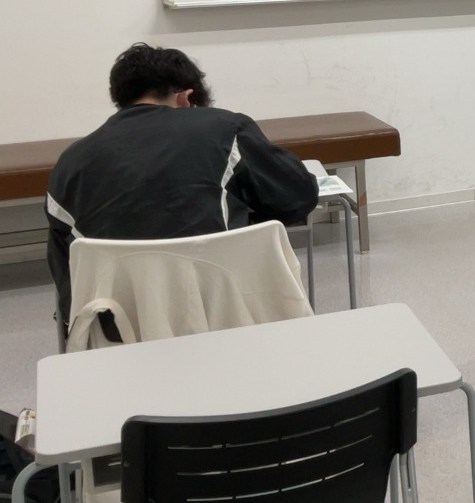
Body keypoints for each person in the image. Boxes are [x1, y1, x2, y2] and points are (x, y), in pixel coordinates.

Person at [46, 43, 319, 327]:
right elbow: (297, 197)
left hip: (123, 329)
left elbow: (68, 276)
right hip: (226, 313)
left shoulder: (69, 164)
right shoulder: (226, 128)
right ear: (186, 97)